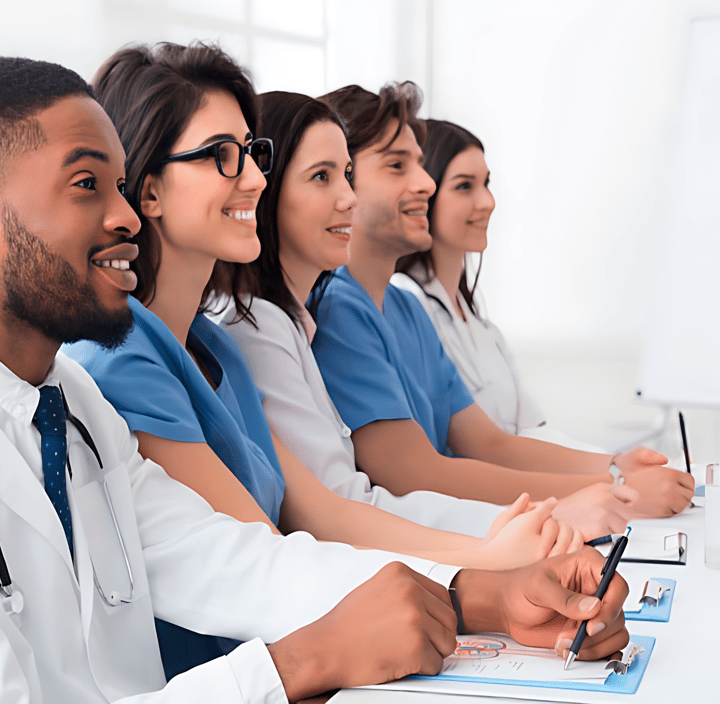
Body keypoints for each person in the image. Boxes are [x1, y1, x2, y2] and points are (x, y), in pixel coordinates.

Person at [0, 54, 630, 703]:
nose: (125, 215)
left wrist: (481, 595)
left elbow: (229, 559)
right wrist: (300, 663)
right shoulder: (106, 373)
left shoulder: (76, 406)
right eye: (85, 185)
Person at [312, 82, 695, 535]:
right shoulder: (339, 311)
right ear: (341, 181)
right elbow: (417, 474)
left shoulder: (403, 310)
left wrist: (614, 467)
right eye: (398, 165)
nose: (425, 184)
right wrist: (614, 486)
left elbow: (489, 442)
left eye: (419, 163)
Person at [221, 90, 521, 536]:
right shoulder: (265, 327)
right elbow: (345, 507)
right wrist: (513, 529)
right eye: (322, 177)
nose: (349, 197)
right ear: (265, 191)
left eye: (345, 175)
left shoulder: (297, 322)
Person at [392, 119, 596, 449]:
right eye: (464, 186)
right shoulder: (405, 303)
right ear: (423, 195)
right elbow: (476, 450)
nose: (488, 201)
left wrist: (620, 467)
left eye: (486, 184)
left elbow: (533, 430)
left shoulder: (485, 330)